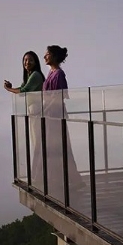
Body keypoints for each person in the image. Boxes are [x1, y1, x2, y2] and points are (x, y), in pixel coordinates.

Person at [39, 45, 84, 198]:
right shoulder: (51, 73)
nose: (45, 57)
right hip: (51, 116)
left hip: (56, 116)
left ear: (54, 57)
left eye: (47, 54)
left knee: (61, 148)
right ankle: (64, 180)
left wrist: (46, 109)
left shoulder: (59, 74)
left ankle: (72, 180)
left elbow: (61, 95)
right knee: (56, 149)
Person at [4, 51, 45, 188]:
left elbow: (24, 91)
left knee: (38, 145)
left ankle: (37, 177)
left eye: (30, 60)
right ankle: (37, 176)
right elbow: (22, 88)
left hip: (37, 112)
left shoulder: (35, 75)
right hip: (34, 113)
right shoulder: (30, 75)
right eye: (25, 60)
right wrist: (12, 88)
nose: (27, 63)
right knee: (37, 145)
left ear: (36, 62)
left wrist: (9, 90)